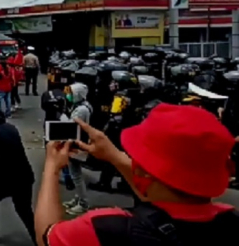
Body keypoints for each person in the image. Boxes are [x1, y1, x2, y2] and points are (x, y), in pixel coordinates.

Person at [35, 104, 239, 246]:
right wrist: (114, 156)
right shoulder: (229, 220)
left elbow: (47, 235)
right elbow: (165, 193)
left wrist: (52, 167)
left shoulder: (108, 228)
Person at [0, 105, 36, 244]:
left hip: (4, 175)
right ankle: (39, 238)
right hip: (24, 174)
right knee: (25, 210)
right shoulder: (12, 128)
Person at [62, 83, 92, 215]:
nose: (68, 95)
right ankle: (78, 198)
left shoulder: (81, 110)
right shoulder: (82, 106)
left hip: (77, 144)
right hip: (77, 142)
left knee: (76, 175)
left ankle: (83, 203)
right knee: (75, 174)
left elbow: (72, 126)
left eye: (71, 93)